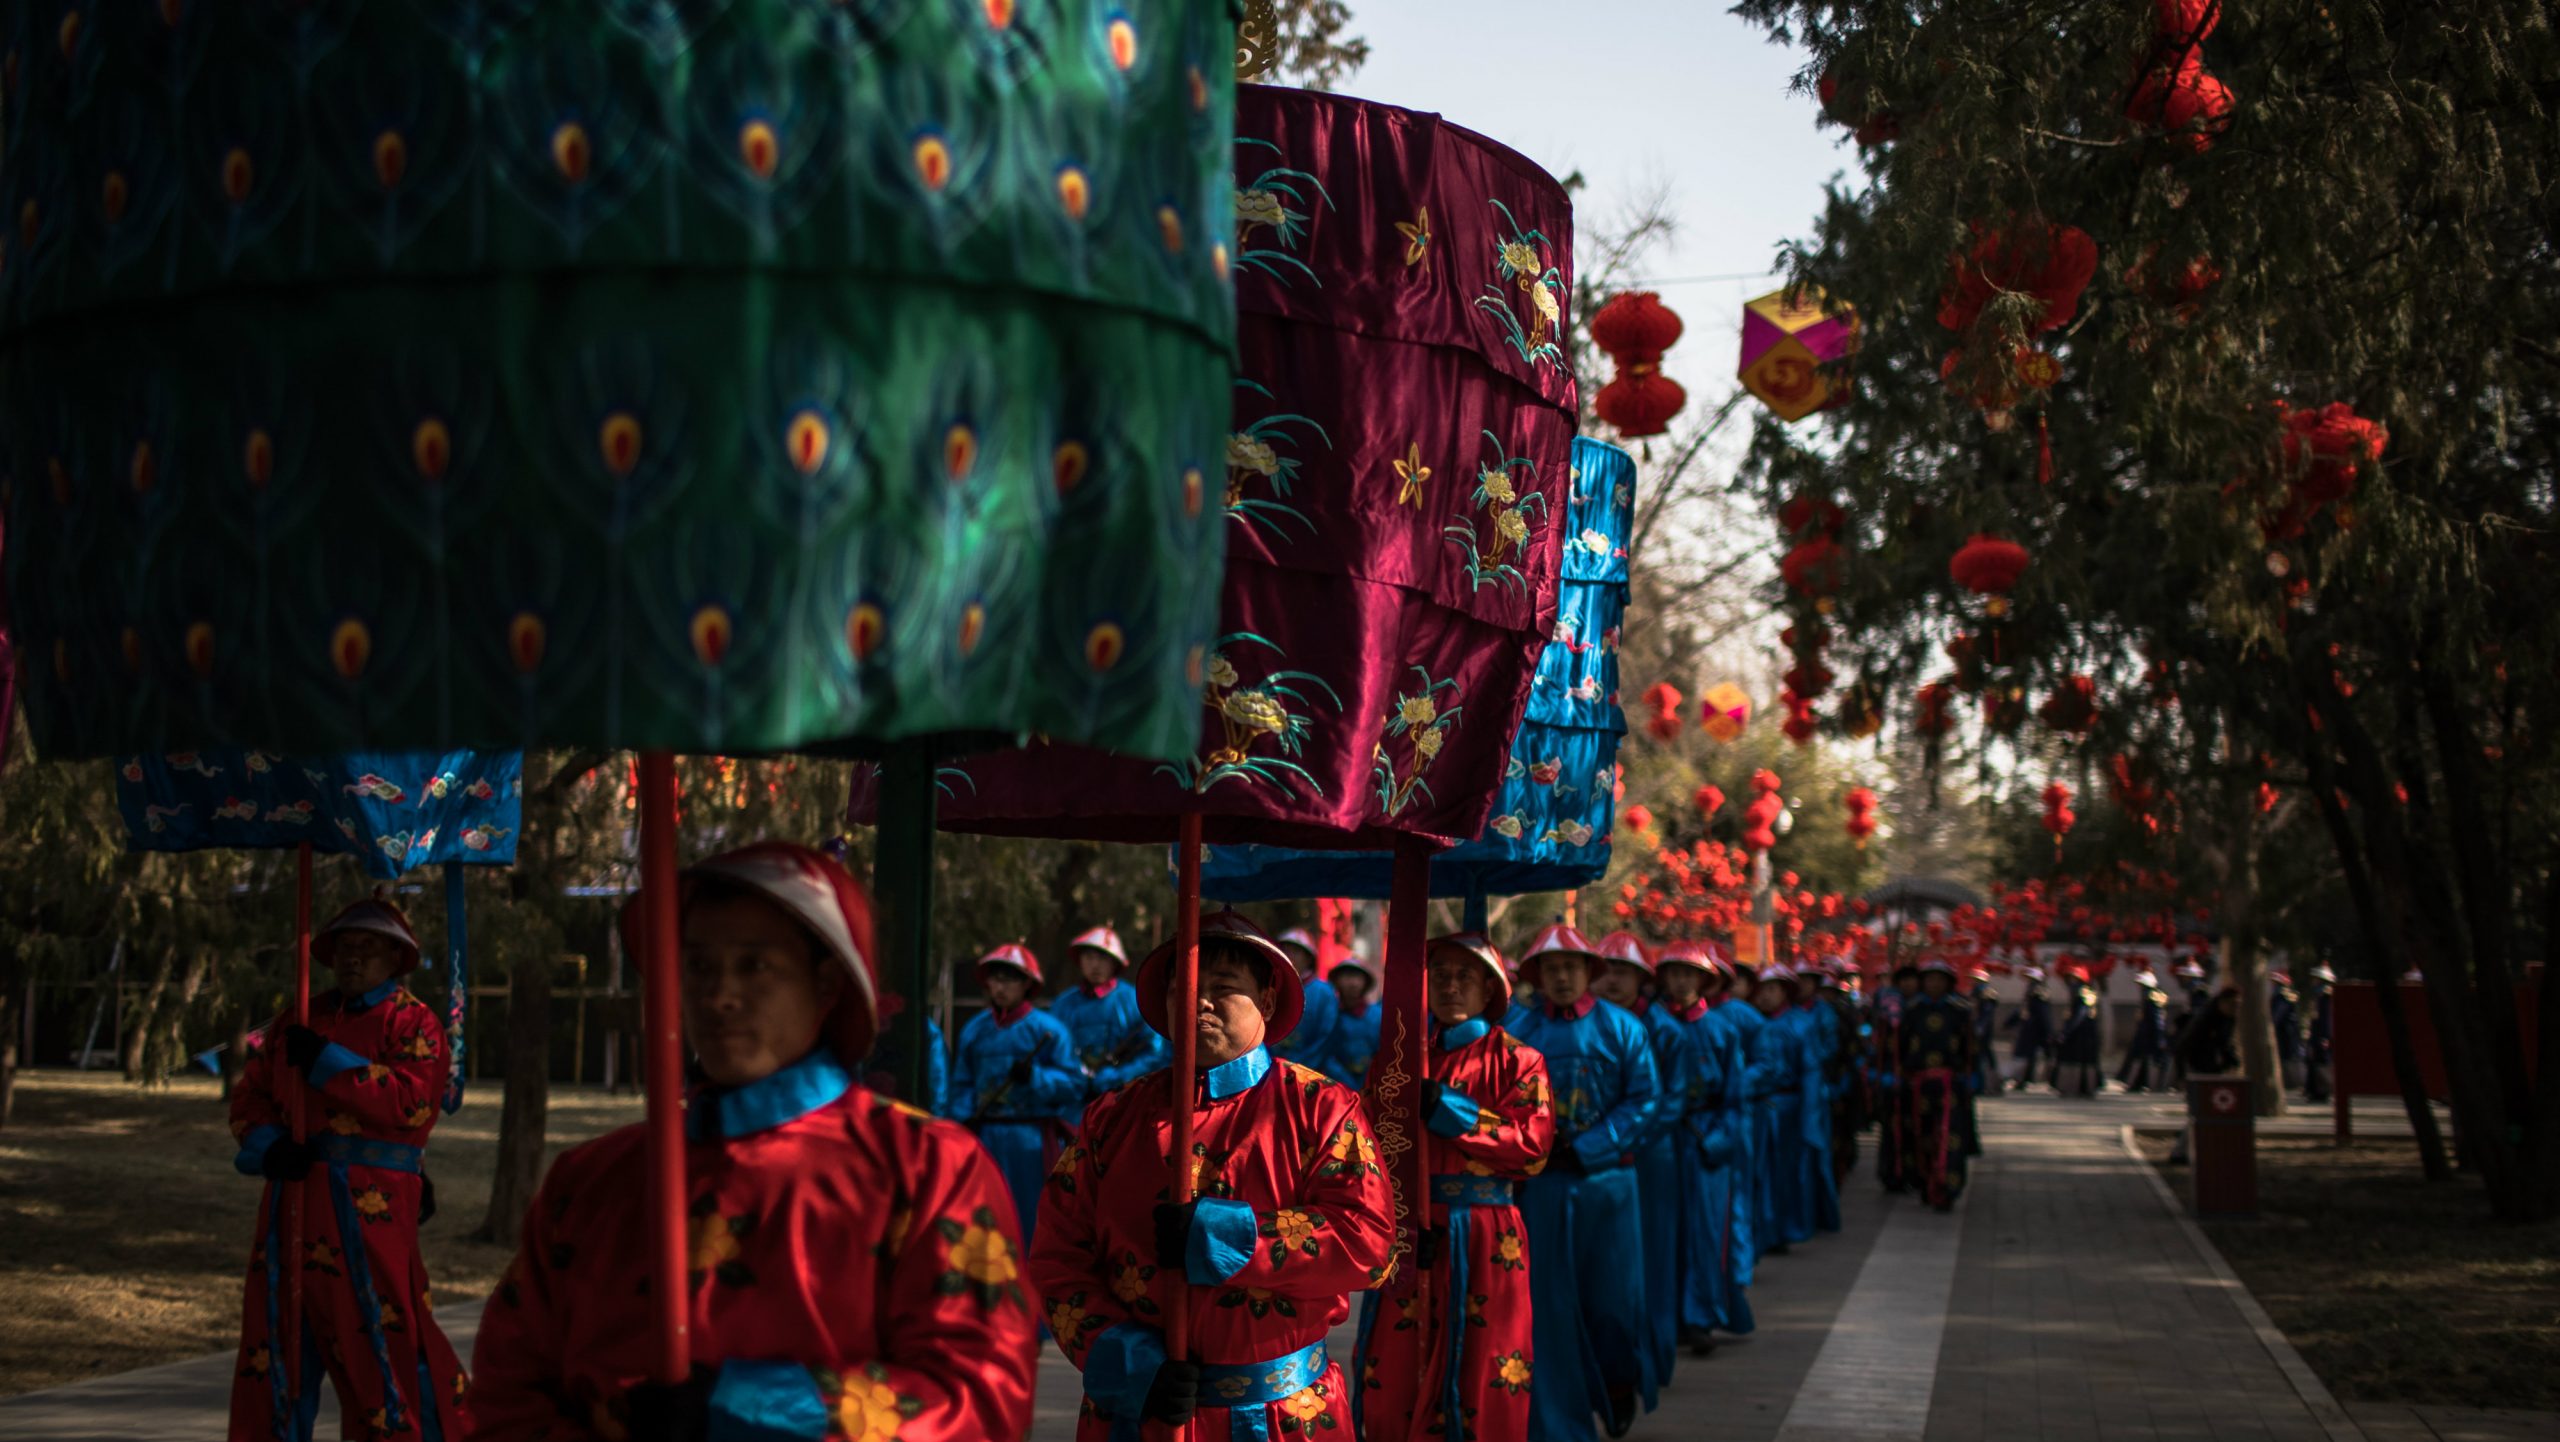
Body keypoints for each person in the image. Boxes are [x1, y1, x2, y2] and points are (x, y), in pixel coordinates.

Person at [470, 841, 1038, 1441]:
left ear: (825, 981)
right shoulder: (589, 1183)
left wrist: (750, 1408)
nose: (720, 997)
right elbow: (506, 1389)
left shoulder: (928, 1169)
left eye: (754, 965)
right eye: (697, 965)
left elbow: (980, 1397)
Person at [1032, 910, 1397, 1440]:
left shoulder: (1322, 1107)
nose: (1200, 1002)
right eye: (1185, 987)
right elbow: (1056, 1256)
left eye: (1224, 988)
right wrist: (1123, 1356)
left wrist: (1231, 1237)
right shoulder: (1112, 1117)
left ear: (1266, 1002)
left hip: (1281, 1416)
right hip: (1141, 1414)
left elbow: (1371, 1243)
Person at [227, 893, 470, 1442]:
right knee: (278, 1348)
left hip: (371, 1212)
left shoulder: (414, 1020)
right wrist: (269, 1146)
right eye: (344, 948)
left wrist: (329, 1065)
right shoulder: (298, 1018)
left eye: (367, 948)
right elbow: (250, 1097)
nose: (353, 959)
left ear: (395, 958)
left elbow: (413, 1102)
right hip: (293, 1202)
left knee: (382, 1345)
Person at [1354, 933, 1553, 1442]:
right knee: (1393, 1367)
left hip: (1485, 1232)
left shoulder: (1520, 1060)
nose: (1450, 986)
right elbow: (1367, 1146)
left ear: (1490, 989)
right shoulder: (1398, 1060)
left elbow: (1532, 1146)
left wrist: (1448, 1111)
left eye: (1465, 976)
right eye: (1439, 974)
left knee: (1484, 1367)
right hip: (1409, 1232)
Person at [1506, 923, 1661, 1440]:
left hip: (1608, 1185)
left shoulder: (1623, 1029)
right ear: (1538, 975)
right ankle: (1555, 1417)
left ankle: (1618, 1385)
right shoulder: (1518, 1030)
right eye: (1552, 968)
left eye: (1571, 967)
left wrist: (1590, 1146)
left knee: (1613, 1301)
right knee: (1547, 1305)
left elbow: (1644, 1099)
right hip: (1541, 1186)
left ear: (1590, 972)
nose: (1563, 976)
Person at [1592, 930, 1693, 1392]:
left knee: (1652, 1259)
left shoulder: (1665, 1030)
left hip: (1651, 1158)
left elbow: (1669, 1103)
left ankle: (1653, 1357)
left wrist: (1621, 1138)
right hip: (1605, 1159)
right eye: (1607, 970)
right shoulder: (1598, 1025)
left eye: (1623, 972)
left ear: (1641, 979)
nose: (1613, 980)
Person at [949, 943, 1083, 1246]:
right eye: (995, 979)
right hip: (984, 1135)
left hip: (1031, 1139)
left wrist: (1036, 1077)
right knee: (980, 1214)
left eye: (1009, 979)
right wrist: (962, 1119)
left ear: (1027, 984)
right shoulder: (974, 1030)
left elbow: (1074, 1085)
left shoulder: (1049, 1030)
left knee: (1029, 1217)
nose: (1000, 987)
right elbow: (962, 1083)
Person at [1655, 940, 1753, 1350]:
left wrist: (1718, 1139)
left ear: (1705, 980)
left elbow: (1736, 1098)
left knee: (1707, 1231)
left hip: (1705, 1142)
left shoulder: (1722, 1030)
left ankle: (1699, 1316)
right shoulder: (1652, 1026)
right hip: (1661, 1141)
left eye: (1688, 974)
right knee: (1664, 1230)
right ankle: (1665, 1315)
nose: (1680, 981)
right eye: (1673, 973)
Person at [1050, 925, 1167, 1132]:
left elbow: (1155, 1053)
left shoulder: (1134, 999)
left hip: (1126, 1102)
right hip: (1071, 1110)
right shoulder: (1063, 1004)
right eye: (1089, 957)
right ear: (1080, 961)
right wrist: (1074, 1079)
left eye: (1102, 958)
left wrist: (1118, 1077)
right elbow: (1052, 1054)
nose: (1095, 965)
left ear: (1115, 963)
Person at [1894, 959, 1978, 1210]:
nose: (1934, 984)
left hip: (1950, 1084)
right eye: (1929, 978)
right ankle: (1925, 1183)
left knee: (1949, 1138)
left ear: (1949, 983)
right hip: (1917, 1084)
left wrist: (1970, 1077)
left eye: (1940, 979)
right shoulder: (1912, 1010)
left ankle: (1948, 1188)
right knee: (1921, 1136)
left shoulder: (1959, 1011)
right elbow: (1901, 1046)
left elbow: (1970, 1048)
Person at [1770, 967, 1841, 1244]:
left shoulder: (1818, 1015)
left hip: (1810, 1093)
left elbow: (1826, 1052)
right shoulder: (1773, 1019)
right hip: (1780, 1101)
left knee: (1809, 1161)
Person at [1271, 926, 1341, 1076]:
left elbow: (1325, 1038)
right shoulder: (1271, 985)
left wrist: (1300, 1068)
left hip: (1309, 1072)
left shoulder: (1324, 993)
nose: (1288, 955)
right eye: (1285, 949)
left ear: (1309, 958)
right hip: (1270, 1069)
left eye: (1295, 951)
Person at [1324, 955, 1381, 1089]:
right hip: (1338, 1086)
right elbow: (1326, 1055)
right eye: (1347, 976)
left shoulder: (1377, 1015)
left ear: (1365, 983)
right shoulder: (1331, 1015)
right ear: (1337, 981)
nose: (1353, 983)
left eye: (1358, 977)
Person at [2116, 968, 2172, 1093]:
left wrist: (2159, 1037)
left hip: (2148, 1034)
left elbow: (2157, 1018)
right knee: (2140, 1060)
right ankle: (2138, 1083)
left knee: (2146, 1060)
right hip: (2147, 1034)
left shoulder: (2151, 997)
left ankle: (2154, 1083)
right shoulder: (2152, 996)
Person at [2053, 972, 2101, 1097]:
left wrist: (2066, 1032)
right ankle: (2082, 1087)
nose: (2071, 981)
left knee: (2075, 1060)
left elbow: (2080, 1015)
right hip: (2085, 1034)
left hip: (2080, 1035)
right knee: (2082, 1061)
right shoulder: (2087, 993)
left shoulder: (2082, 993)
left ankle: (2075, 1087)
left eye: (2074, 979)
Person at [2005, 966, 2053, 1091]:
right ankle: (2022, 1079)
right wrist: (2010, 1021)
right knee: (2025, 1054)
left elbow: (2043, 1014)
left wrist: (2047, 1031)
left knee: (2030, 1055)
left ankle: (2030, 1078)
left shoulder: (2039, 994)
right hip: (2027, 1027)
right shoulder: (2030, 993)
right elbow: (2021, 1010)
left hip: (2035, 1029)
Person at [1966, 968, 2002, 1100]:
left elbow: (1987, 1014)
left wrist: (1980, 1027)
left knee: (1984, 1057)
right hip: (1974, 1029)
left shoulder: (1987, 993)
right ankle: (1979, 1085)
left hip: (1983, 1032)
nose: (1974, 982)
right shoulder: (1974, 993)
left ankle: (1988, 1085)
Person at [2302, 964, 2336, 1102]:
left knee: (2321, 1063)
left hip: (2321, 1035)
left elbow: (2326, 1019)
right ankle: (2313, 1091)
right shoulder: (2318, 995)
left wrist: (2325, 1037)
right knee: (2313, 1062)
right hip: (2316, 1034)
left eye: (2316, 978)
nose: (2313, 980)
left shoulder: (2325, 996)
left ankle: (2322, 1092)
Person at [2270, 971, 2303, 1091]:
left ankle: (2290, 1082)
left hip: (2285, 1032)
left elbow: (2277, 1016)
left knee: (2286, 1056)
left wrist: (2271, 1025)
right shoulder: (2281, 996)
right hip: (2285, 1032)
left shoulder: (2282, 996)